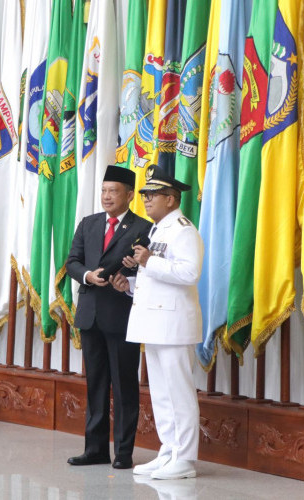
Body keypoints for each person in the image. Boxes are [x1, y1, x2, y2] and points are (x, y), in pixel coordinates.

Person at [111, 165, 203, 480]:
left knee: (179, 392)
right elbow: (156, 279)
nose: (146, 200)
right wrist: (130, 285)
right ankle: (169, 451)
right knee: (162, 394)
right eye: (145, 194)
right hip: (154, 322)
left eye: (153, 195)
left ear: (171, 198)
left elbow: (190, 273)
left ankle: (186, 459)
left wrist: (150, 260)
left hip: (174, 324)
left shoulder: (183, 229)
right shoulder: (157, 230)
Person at [65, 165, 152, 470]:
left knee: (125, 384)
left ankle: (124, 453)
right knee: (96, 384)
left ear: (129, 195)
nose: (106, 196)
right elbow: (72, 262)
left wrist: (122, 274)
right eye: (103, 190)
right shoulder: (88, 224)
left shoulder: (143, 227)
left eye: (113, 191)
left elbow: (141, 269)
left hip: (122, 314)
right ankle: (95, 449)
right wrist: (88, 275)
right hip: (90, 314)